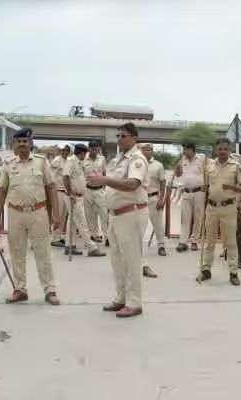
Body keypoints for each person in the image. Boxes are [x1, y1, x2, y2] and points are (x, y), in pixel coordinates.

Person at [0, 128, 62, 305]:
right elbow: (1, 191)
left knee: (43, 253)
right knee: (17, 253)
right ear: (15, 144)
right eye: (19, 142)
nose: (23, 144)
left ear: (31, 143)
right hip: (15, 213)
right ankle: (20, 289)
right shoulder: (8, 164)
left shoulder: (41, 163)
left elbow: (51, 188)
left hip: (38, 212)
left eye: (26, 141)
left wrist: (56, 214)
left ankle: (50, 290)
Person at [88, 122, 148, 318]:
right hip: (116, 215)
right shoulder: (117, 160)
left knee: (131, 261)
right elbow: (114, 184)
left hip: (131, 214)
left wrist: (104, 180)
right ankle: (121, 298)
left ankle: (134, 303)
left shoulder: (137, 159)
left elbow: (132, 184)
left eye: (124, 136)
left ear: (134, 138)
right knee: (117, 261)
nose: (120, 139)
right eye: (118, 136)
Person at [196, 138, 241, 285]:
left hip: (228, 208)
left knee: (230, 242)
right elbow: (205, 187)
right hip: (211, 208)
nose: (222, 151)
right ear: (216, 150)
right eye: (220, 149)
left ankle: (233, 272)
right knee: (209, 242)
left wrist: (231, 188)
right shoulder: (209, 166)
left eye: (225, 149)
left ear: (229, 150)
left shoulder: (236, 166)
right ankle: (206, 270)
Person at [62, 143, 105, 257]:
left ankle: (69, 245)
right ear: (81, 153)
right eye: (84, 153)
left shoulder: (78, 162)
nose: (85, 156)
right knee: (82, 222)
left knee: (72, 224)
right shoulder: (71, 161)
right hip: (73, 197)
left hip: (79, 196)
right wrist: (70, 193)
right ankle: (92, 248)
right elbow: (65, 177)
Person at [174, 143, 205, 252]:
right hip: (186, 192)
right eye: (184, 150)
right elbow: (177, 175)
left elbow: (209, 172)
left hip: (199, 192)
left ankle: (194, 241)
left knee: (198, 217)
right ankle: (183, 242)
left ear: (192, 150)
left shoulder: (201, 158)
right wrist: (177, 167)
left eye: (186, 150)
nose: (184, 152)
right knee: (185, 218)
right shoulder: (183, 160)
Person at [140, 143, 167, 257]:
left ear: (152, 151)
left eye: (149, 150)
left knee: (158, 224)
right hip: (140, 199)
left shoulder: (158, 165)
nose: (146, 152)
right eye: (144, 150)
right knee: (139, 224)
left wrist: (161, 199)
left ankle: (161, 246)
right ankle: (137, 248)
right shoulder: (137, 164)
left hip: (153, 198)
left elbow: (162, 182)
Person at [83, 140, 109, 245]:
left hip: (99, 190)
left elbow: (104, 173)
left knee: (104, 214)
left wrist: (104, 188)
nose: (95, 150)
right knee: (90, 215)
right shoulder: (84, 160)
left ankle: (107, 237)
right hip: (88, 190)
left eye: (97, 148)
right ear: (89, 149)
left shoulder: (102, 159)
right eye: (93, 148)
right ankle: (93, 235)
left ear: (99, 149)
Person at [50, 145, 71, 247]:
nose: (65, 152)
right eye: (63, 150)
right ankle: (54, 238)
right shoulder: (57, 160)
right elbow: (51, 175)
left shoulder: (68, 161)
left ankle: (59, 237)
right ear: (60, 151)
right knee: (57, 215)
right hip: (58, 191)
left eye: (67, 150)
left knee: (63, 216)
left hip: (65, 191)